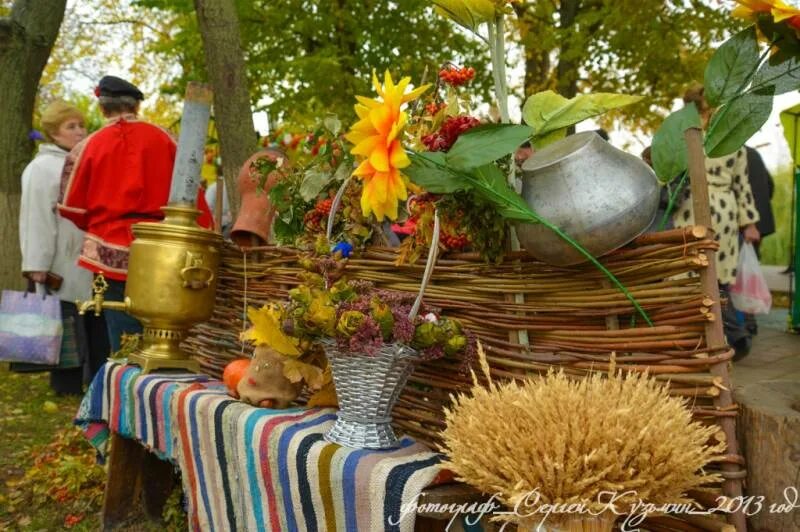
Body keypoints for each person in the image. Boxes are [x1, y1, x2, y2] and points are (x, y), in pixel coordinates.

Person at [58, 75, 211, 352]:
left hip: (108, 251)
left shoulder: (87, 147)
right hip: (163, 248)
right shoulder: (167, 140)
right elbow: (194, 196)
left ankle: (126, 381)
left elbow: (70, 205)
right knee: (168, 328)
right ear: (136, 106)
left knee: (121, 331)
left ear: (103, 107)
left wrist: (102, 222)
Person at [19, 101, 109, 394]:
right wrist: (37, 265)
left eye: (81, 125)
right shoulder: (41, 168)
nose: (80, 131)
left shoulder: (79, 162)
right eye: (71, 127)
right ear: (53, 132)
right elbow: (36, 218)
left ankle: (95, 379)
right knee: (64, 323)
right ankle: (65, 383)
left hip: (83, 256)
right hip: (59, 258)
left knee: (92, 317)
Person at [673, 85, 760, 359]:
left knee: (690, 276)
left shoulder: (684, 134)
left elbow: (670, 176)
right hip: (723, 211)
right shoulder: (731, 139)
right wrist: (749, 224)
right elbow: (742, 185)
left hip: (692, 210)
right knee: (718, 279)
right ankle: (729, 336)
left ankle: (718, 338)